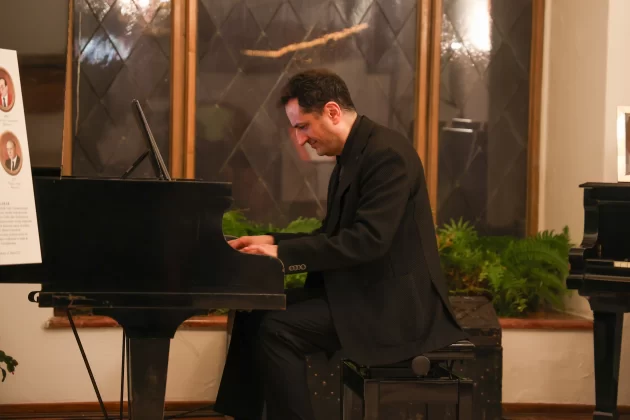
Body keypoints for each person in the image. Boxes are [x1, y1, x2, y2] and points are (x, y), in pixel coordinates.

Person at [214, 69, 467, 420]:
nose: (300, 139)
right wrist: (271, 240)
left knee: (277, 330)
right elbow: (331, 235)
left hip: (392, 309)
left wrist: (281, 255)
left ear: (332, 111)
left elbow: (368, 241)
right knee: (253, 311)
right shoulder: (354, 156)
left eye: (303, 126)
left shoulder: (387, 155)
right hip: (362, 293)